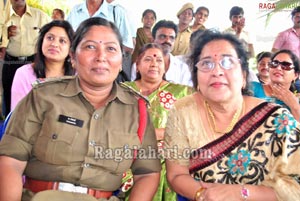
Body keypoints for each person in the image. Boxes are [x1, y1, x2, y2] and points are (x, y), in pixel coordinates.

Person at [0, 17, 161, 201]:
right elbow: (10, 161)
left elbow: (147, 173)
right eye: (90, 47)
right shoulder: (43, 97)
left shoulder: (136, 110)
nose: (101, 57)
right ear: (73, 57)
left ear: (120, 61)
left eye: (111, 49)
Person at [163, 30, 300, 201]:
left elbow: (295, 187)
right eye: (206, 64)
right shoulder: (183, 111)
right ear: (196, 78)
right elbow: (176, 175)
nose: (217, 71)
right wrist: (203, 195)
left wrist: (242, 193)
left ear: (243, 76)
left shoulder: (278, 119)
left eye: (227, 62)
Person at [121, 43, 193, 200]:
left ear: (165, 67)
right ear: (137, 66)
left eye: (159, 60)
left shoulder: (183, 93)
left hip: (168, 160)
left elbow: (193, 125)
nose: (154, 64)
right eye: (148, 59)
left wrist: (159, 134)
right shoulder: (123, 91)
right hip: (128, 156)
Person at [10, 20, 75, 110]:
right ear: (42, 41)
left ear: (70, 48)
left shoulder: (77, 76)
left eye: (62, 41)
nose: (54, 44)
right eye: (50, 38)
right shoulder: (24, 74)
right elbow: (17, 115)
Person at [1, 0, 50, 117]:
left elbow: (52, 37)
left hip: (34, 63)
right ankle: (10, 129)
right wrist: (4, 34)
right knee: (10, 99)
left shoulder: (40, 16)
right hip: (10, 63)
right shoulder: (3, 18)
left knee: (36, 100)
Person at [131, 20, 193, 87]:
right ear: (152, 39)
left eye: (171, 38)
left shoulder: (182, 68)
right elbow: (133, 92)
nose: (167, 41)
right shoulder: (138, 66)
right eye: (162, 36)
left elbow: (187, 95)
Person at [250, 49, 300, 122]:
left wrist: (295, 107)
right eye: (274, 63)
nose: (278, 68)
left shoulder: (296, 102)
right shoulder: (252, 88)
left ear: (295, 75)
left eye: (286, 65)